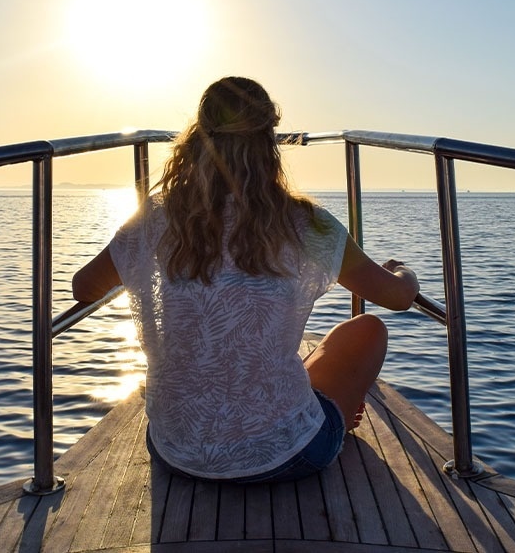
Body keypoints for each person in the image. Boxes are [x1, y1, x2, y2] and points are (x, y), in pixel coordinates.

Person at [72, 76, 419, 483]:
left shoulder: (158, 216)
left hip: (176, 450)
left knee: (285, 368)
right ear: (268, 143)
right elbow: (396, 298)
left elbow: (84, 287)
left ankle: (309, 403)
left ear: (197, 140)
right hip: (290, 455)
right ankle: (333, 420)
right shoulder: (305, 223)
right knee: (367, 330)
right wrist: (402, 272)